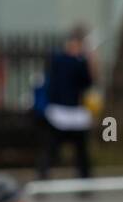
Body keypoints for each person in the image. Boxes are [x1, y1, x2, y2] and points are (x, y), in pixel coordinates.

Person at [36, 25, 95, 181]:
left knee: (80, 151)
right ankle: (43, 177)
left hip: (74, 112)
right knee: (52, 149)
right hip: (59, 112)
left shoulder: (77, 62)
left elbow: (87, 83)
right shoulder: (60, 60)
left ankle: (84, 180)